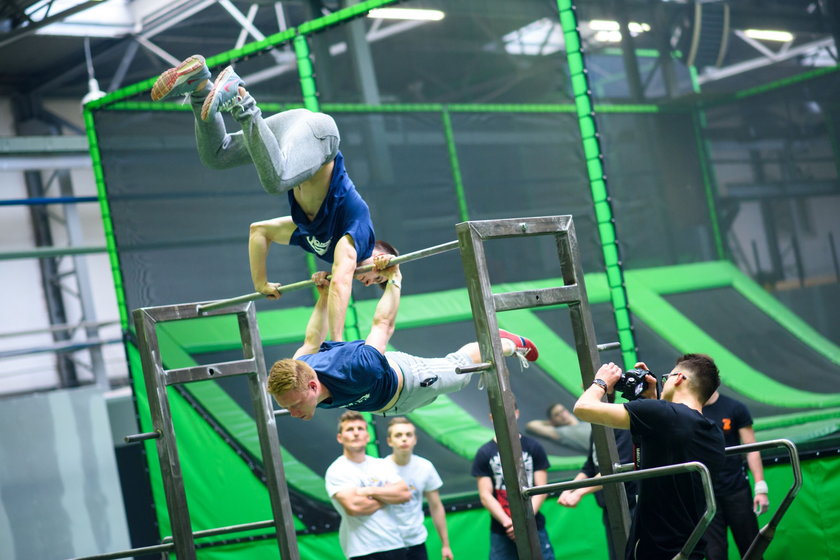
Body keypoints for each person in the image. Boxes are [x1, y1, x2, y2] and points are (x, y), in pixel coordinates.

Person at [151, 54, 376, 340]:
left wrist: (261, 282)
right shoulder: (360, 237)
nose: (369, 283)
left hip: (292, 132)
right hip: (321, 137)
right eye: (376, 278)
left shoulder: (313, 235)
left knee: (217, 156)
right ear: (382, 255)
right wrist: (339, 341)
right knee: (277, 180)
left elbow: (259, 232)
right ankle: (240, 96)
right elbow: (343, 277)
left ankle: (199, 85)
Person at [265, 259, 539, 420]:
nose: (293, 412)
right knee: (460, 369)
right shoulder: (301, 365)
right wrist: (323, 294)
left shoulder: (357, 369)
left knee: (461, 368)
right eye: (288, 407)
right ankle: (502, 344)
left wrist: (394, 278)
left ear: (313, 386)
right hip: (386, 405)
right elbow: (313, 337)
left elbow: (382, 325)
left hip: (411, 381)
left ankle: (511, 343)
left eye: (295, 405)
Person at [573, 355, 725, 560]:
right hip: (689, 548)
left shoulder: (663, 415)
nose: (664, 382)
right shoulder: (712, 432)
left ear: (679, 378)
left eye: (666, 378)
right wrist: (651, 400)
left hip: (655, 551)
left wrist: (601, 381)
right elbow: (662, 439)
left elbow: (583, 408)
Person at [471, 404, 555, 560]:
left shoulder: (533, 447)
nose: (504, 418)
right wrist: (508, 523)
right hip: (501, 529)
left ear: (517, 413)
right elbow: (485, 495)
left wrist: (524, 520)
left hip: (533, 525)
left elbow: (541, 489)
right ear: (491, 417)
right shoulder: (484, 453)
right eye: (498, 414)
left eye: (509, 413)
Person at [325, 410, 412, 559]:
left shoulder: (381, 465)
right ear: (340, 437)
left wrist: (369, 491)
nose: (356, 433)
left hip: (395, 544)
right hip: (363, 550)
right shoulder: (336, 470)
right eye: (350, 429)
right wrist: (387, 497)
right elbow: (355, 507)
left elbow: (405, 494)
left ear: (368, 436)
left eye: (360, 429)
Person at [702, 391, 769, 560]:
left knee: (752, 549)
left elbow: (751, 449)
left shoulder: (735, 408)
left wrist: (760, 486)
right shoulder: (686, 411)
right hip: (705, 496)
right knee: (714, 554)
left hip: (736, 490)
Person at [557, 429, 636, 560]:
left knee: (631, 553)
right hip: (609, 506)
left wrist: (579, 493)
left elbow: (615, 470)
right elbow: (589, 466)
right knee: (618, 554)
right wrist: (569, 489)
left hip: (629, 504)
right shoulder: (597, 430)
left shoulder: (621, 429)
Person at [385, 417, 454, 560]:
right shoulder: (380, 469)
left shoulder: (425, 467)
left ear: (415, 439)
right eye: (398, 435)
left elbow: (436, 506)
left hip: (416, 543)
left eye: (408, 434)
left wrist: (445, 545)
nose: (404, 439)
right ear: (389, 441)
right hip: (388, 544)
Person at [525, 403, 591, 453]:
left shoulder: (586, 422)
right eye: (557, 414)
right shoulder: (562, 432)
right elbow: (531, 425)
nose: (562, 415)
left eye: (563, 411)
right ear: (553, 421)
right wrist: (550, 423)